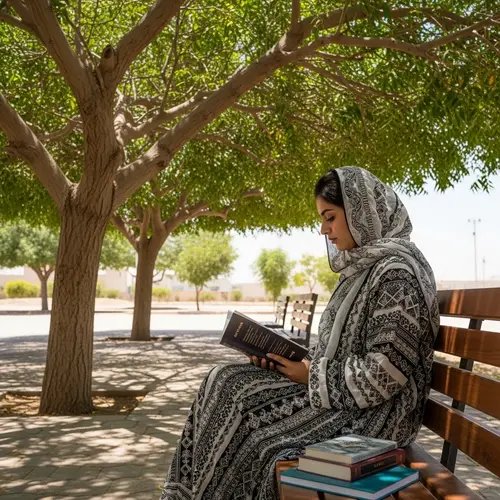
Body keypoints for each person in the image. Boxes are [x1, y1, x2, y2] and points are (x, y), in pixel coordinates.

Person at [160, 166, 439, 500]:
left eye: (330, 217)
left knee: (239, 404)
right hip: (342, 397)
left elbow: (386, 372)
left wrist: (311, 374)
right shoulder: (366, 268)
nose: (324, 229)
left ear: (360, 212)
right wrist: (293, 364)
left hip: (375, 419)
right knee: (224, 379)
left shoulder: (397, 273)